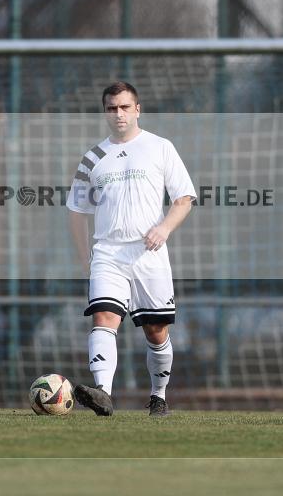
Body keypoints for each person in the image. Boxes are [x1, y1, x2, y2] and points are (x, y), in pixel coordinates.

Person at [66, 81, 196, 417]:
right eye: (112, 108)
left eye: (125, 107)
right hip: (108, 253)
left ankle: (158, 396)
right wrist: (86, 259)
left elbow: (184, 198)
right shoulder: (93, 157)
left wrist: (164, 228)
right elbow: (77, 212)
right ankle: (103, 394)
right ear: (105, 112)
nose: (119, 114)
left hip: (148, 254)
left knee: (156, 331)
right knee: (104, 318)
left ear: (137, 109)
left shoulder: (160, 147)